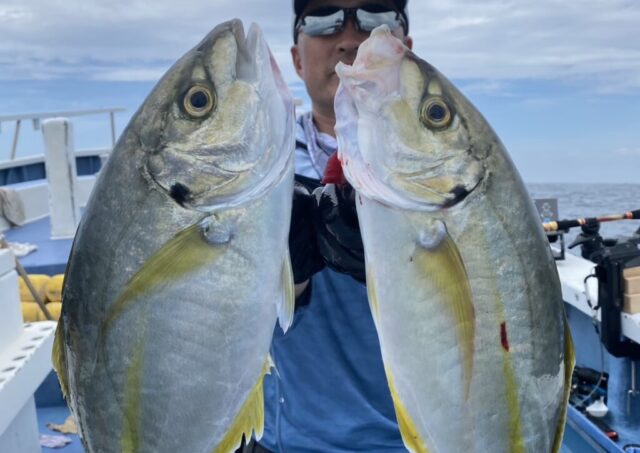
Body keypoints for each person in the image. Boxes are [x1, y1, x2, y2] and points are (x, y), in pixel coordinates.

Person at [241, 1, 413, 451]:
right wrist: (289, 279)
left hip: (425, 438)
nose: (350, 39)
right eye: (323, 20)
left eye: (377, 19)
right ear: (296, 58)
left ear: (405, 49)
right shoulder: (252, 168)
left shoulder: (455, 169)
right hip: (282, 439)